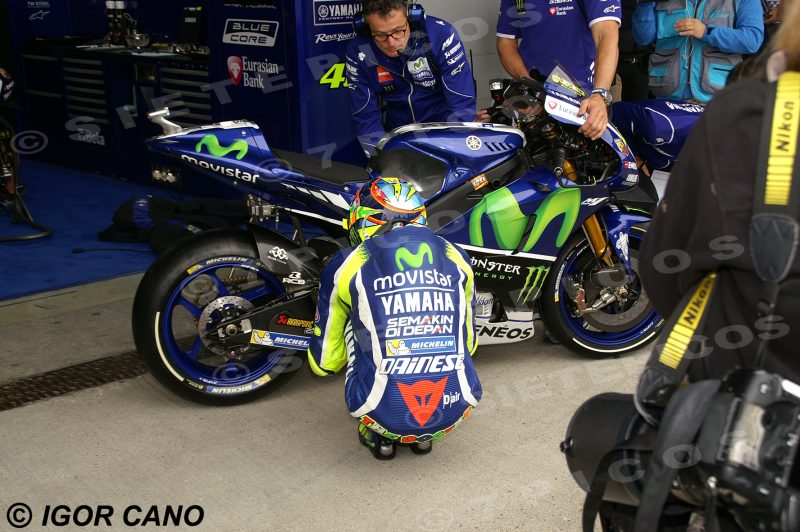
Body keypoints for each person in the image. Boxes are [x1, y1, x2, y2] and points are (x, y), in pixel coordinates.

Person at [639, 0, 800, 385]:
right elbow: (643, 35)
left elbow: (663, 261)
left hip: (742, 367)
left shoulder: (747, 112)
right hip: (669, 103)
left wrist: (706, 32)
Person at [307, 177, 482, 460]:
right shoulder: (457, 255)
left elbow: (324, 364)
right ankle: (424, 438)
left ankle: (377, 435)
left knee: (358, 317)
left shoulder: (347, 262)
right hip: (461, 405)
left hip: (377, 411)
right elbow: (470, 343)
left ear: (364, 220)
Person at [345, 0, 478, 155]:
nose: (391, 42)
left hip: (444, 132)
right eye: (380, 35)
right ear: (366, 26)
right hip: (398, 136)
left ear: (411, 17)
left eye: (398, 31)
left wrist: (453, 149)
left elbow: (460, 105)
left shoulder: (440, 36)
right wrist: (382, 160)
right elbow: (366, 117)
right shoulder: (359, 51)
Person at [494, 0, 621, 140]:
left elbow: (607, 35)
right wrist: (528, 85)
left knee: (587, 158)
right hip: (536, 98)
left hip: (583, 98)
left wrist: (600, 94)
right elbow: (506, 42)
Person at [632, 0, 764, 104]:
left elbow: (752, 40)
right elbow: (643, 38)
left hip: (717, 99)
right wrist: (645, 3)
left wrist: (706, 32)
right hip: (667, 96)